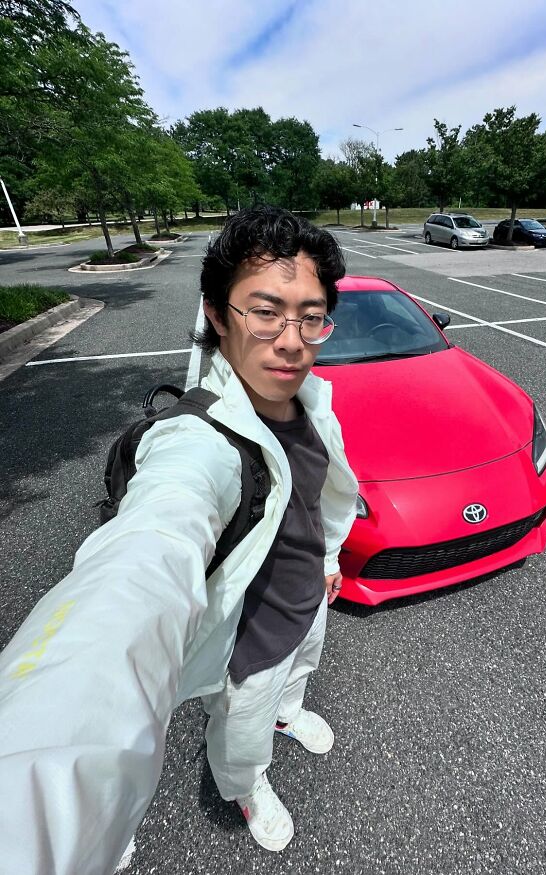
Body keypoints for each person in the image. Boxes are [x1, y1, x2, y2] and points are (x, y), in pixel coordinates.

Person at [0, 206, 359, 872]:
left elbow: (325, 495)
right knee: (241, 731)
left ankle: (291, 708)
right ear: (217, 316)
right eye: (265, 311)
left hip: (308, 597)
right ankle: (245, 787)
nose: (292, 340)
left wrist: (332, 557)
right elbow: (145, 555)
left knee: (300, 672)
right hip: (248, 634)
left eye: (311, 316)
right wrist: (37, 767)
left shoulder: (315, 402)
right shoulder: (197, 439)